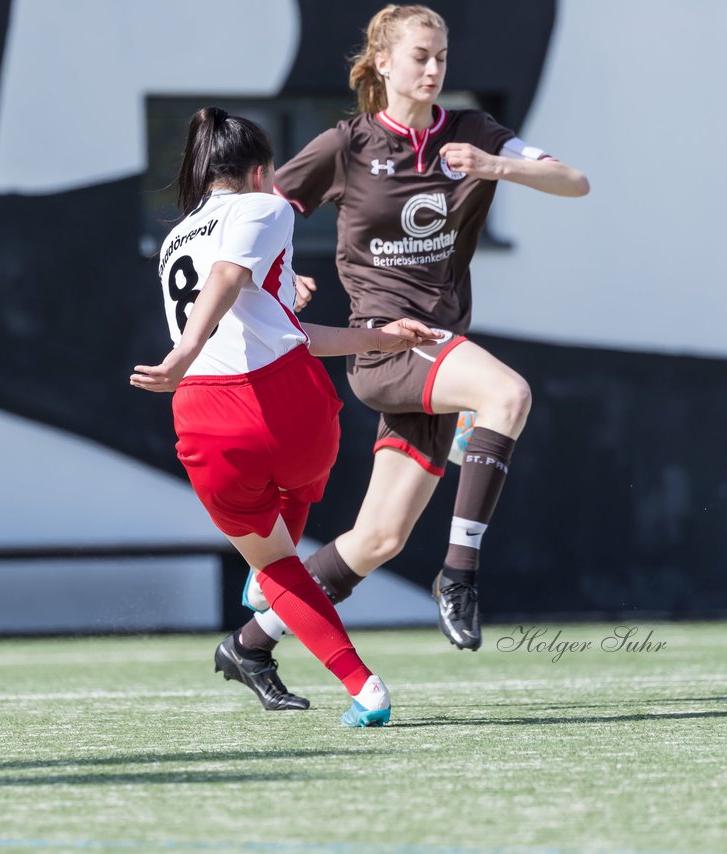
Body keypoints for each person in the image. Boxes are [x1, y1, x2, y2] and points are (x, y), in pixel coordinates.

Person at [218, 3, 590, 710]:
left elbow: (576, 181)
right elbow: (257, 213)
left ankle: (250, 642)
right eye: (420, 55)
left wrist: (495, 166)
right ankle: (460, 574)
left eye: (442, 56)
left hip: (436, 358)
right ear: (382, 63)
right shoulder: (348, 144)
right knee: (507, 395)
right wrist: (282, 273)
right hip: (389, 348)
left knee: (378, 537)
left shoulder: (474, 134)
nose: (433, 68)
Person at [131, 106, 441, 726]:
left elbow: (273, 319)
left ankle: (365, 688)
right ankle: (272, 573)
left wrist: (380, 338)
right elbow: (229, 277)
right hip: (286, 402)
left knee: (276, 565)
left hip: (207, 414)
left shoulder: (173, 239)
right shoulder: (265, 206)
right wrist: (183, 351)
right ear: (261, 170)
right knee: (300, 480)